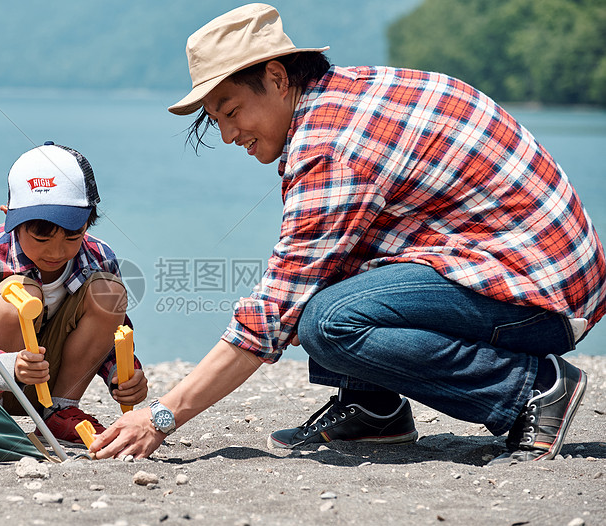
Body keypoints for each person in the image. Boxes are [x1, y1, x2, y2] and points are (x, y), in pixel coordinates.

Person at [91, 3, 606, 463]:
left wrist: (160, 416)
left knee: (327, 321)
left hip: (543, 295)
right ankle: (372, 408)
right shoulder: (344, 96)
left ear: (275, 77)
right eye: (215, 120)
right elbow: (317, 259)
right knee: (326, 271)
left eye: (231, 111)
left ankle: (534, 390)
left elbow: (273, 312)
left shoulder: (331, 146)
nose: (228, 135)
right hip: (532, 270)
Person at [0, 141, 148, 443]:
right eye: (41, 236)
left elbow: (115, 338)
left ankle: (61, 412)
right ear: (10, 219)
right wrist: (9, 366)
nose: (56, 251)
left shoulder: (98, 256)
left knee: (109, 291)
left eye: (72, 236)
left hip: (57, 382)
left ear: (89, 221)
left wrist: (125, 375)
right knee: (21, 295)